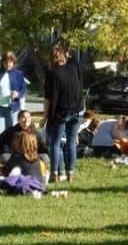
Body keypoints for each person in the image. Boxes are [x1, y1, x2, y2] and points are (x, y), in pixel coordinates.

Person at [44, 42, 84, 183]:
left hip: (61, 113)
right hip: (77, 110)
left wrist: (45, 117)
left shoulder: (52, 73)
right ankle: (70, 174)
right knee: (72, 143)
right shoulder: (74, 66)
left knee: (55, 143)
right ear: (64, 55)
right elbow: (90, 67)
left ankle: (54, 173)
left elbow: (48, 98)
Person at [0, 51, 28, 134]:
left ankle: (10, 147)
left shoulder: (18, 74)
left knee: (12, 132)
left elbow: (24, 89)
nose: (8, 64)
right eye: (6, 62)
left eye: (10, 62)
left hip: (13, 108)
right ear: (2, 62)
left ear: (14, 62)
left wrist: (17, 94)